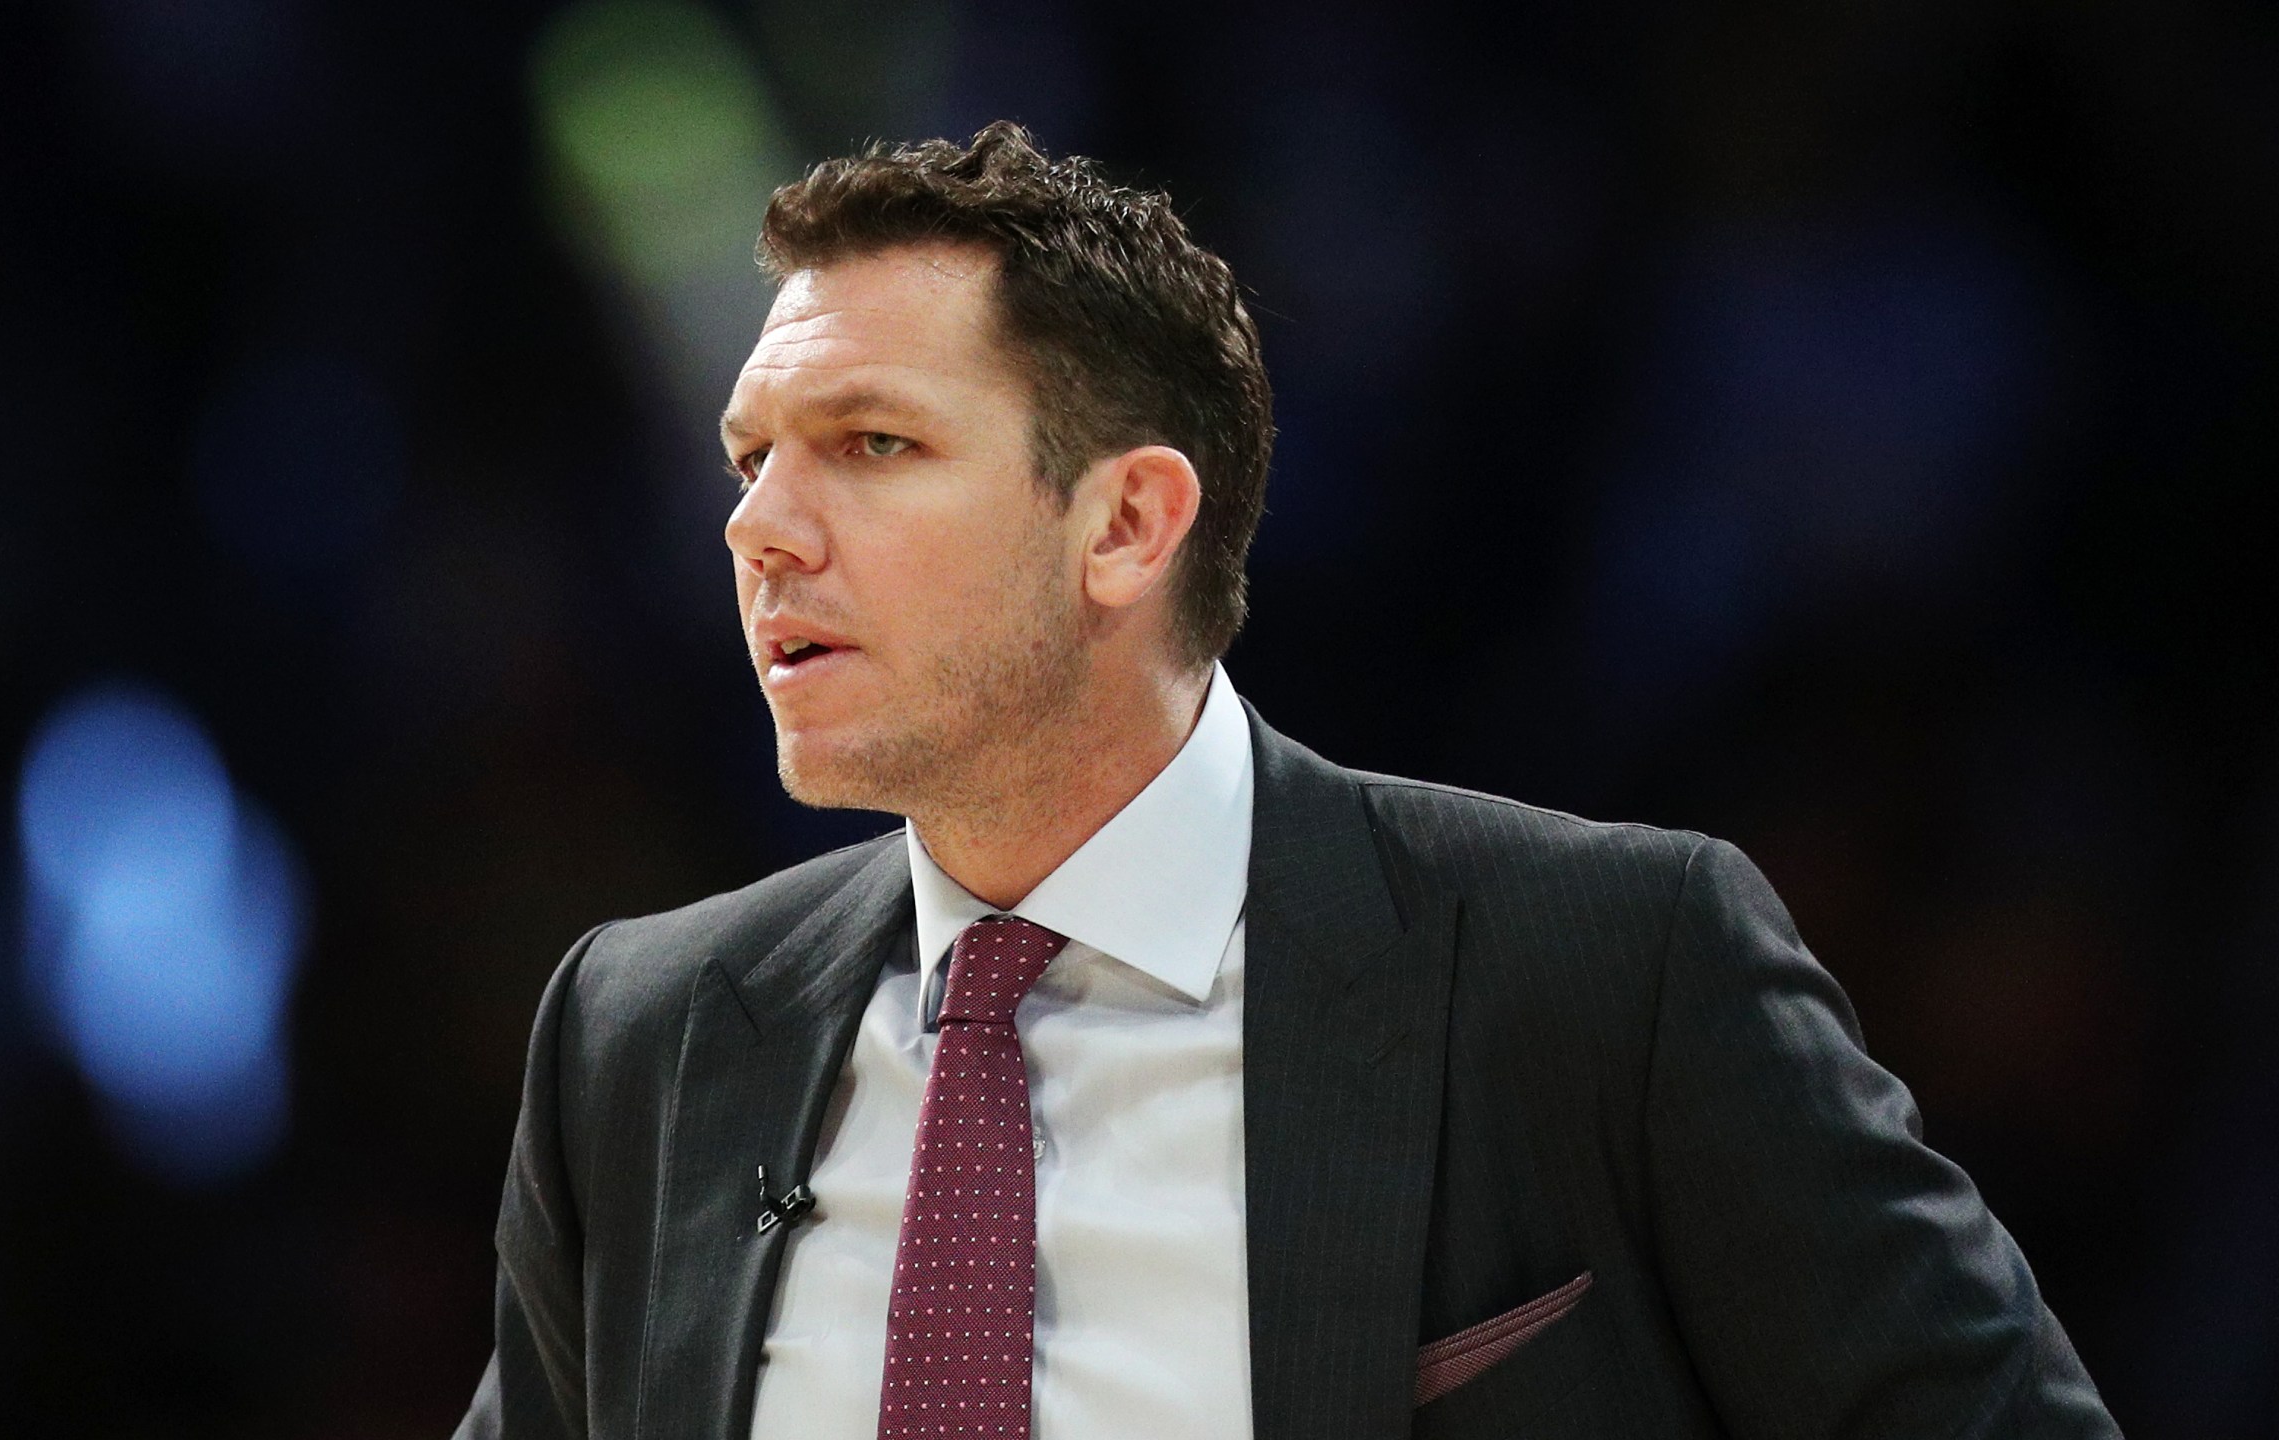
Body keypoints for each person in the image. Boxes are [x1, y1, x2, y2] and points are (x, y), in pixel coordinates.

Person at [454, 122, 2120, 1440]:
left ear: (1125, 524)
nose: (759, 528)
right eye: (753, 456)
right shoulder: (647, 1032)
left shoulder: (1612, 967)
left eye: (874, 445)